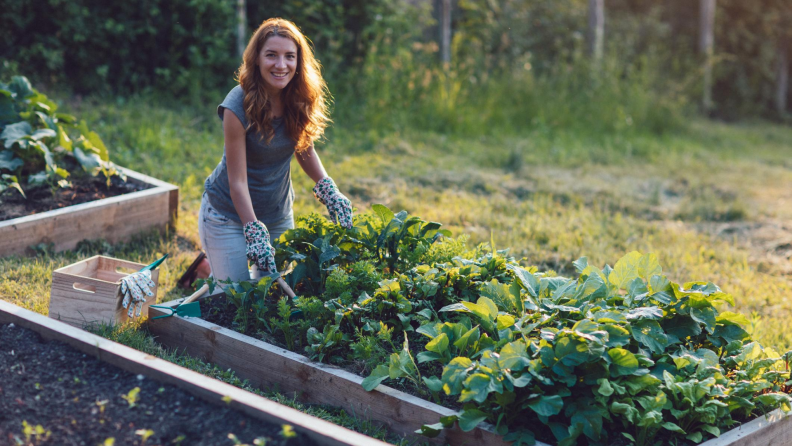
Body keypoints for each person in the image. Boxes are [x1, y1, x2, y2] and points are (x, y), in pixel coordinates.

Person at [197, 17, 353, 283]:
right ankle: (206, 269)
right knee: (237, 297)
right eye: (272, 55)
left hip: (277, 214)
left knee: (274, 293)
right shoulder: (237, 105)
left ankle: (211, 268)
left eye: (289, 57)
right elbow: (237, 181)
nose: (281, 65)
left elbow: (303, 147)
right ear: (257, 58)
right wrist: (254, 231)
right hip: (227, 215)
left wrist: (329, 189)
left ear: (298, 61)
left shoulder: (298, 96)